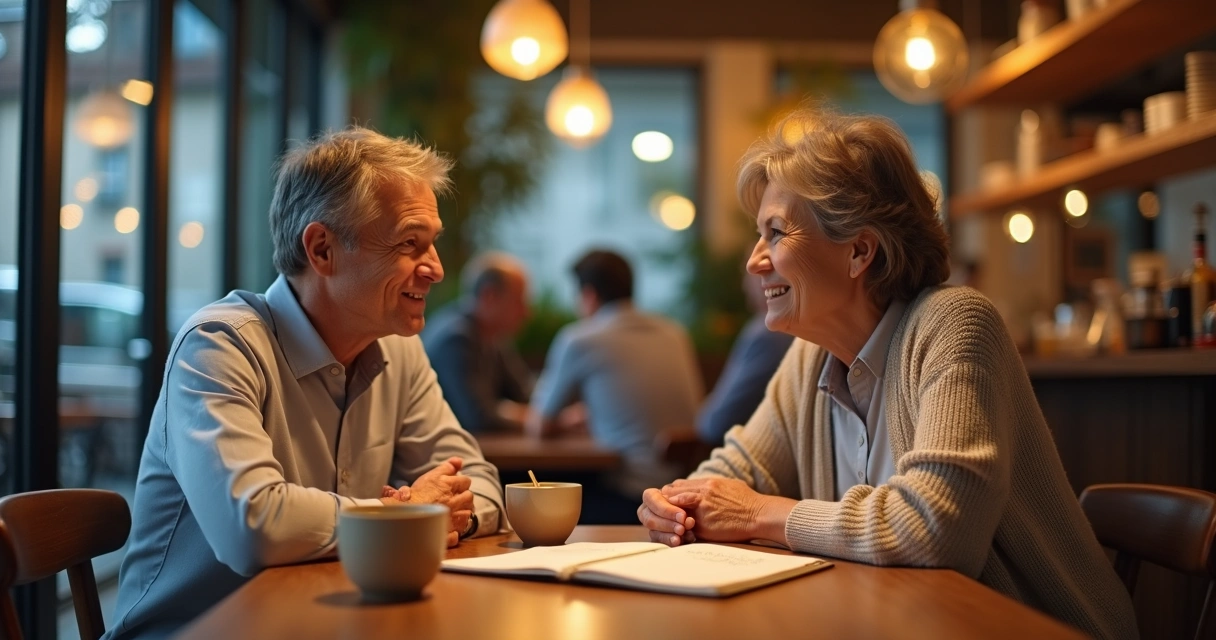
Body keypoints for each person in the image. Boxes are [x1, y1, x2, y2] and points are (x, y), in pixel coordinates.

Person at [637, 109, 1137, 639]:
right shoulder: (809, 357)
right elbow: (733, 474)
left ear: (858, 251)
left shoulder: (956, 325)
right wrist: (677, 507)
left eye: (776, 233)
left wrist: (761, 513)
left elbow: (936, 529)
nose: (755, 262)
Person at [105, 128, 504, 639]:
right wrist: (406, 514)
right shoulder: (219, 346)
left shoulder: (398, 351)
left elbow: (478, 483)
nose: (436, 269)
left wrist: (451, 515)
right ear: (321, 250)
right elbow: (252, 526)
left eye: (432, 244)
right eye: (410, 243)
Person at [529, 249, 703, 522]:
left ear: (588, 295)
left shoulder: (581, 339)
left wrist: (564, 423)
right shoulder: (675, 333)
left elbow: (538, 425)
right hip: (683, 494)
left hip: (629, 497)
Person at [422, 252, 534, 433]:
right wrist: (542, 419)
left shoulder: (491, 336)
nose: (527, 312)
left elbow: (523, 394)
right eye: (519, 301)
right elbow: (480, 418)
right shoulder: (455, 339)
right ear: (489, 295)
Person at [695, 270, 794, 445]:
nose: (744, 285)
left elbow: (716, 424)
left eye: (748, 274)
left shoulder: (768, 333)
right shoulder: (790, 332)